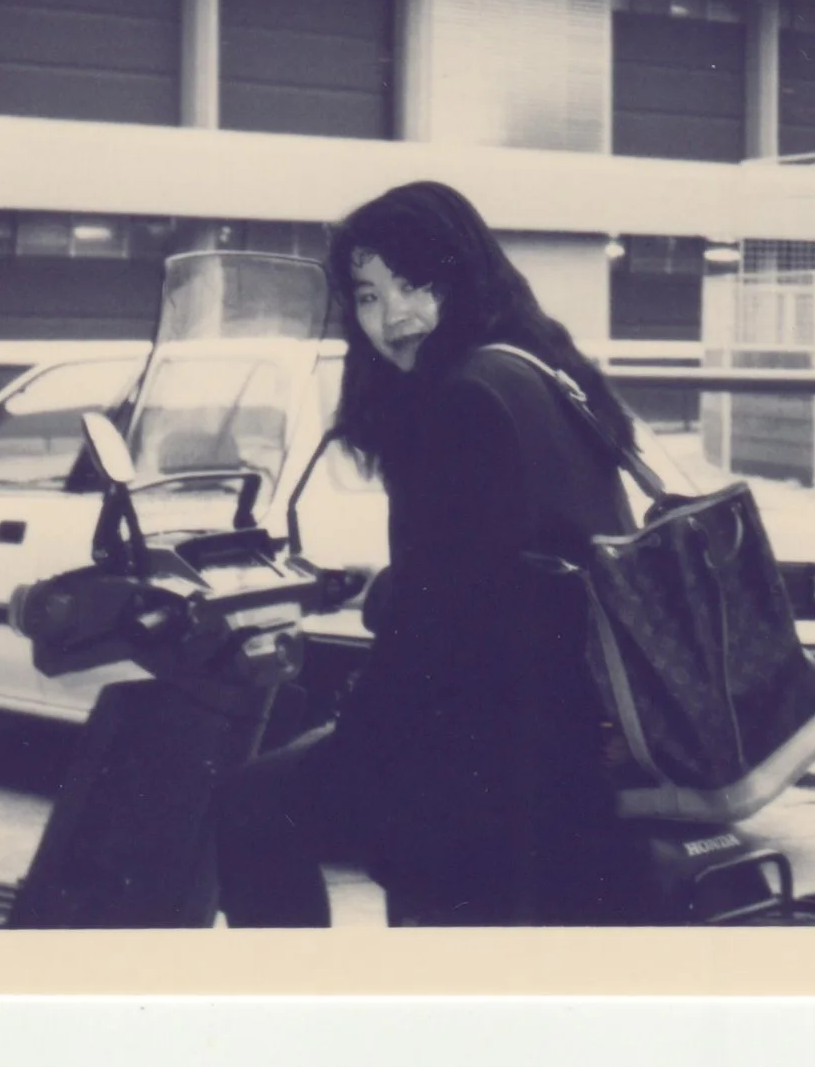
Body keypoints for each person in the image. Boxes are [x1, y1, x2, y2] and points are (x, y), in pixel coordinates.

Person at [215, 180, 642, 926]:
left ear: (462, 274)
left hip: (488, 748)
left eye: (416, 284)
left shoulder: (459, 397)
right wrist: (389, 589)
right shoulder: (540, 368)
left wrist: (356, 711)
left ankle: (290, 1022)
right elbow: (502, 557)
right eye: (370, 296)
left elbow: (436, 633)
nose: (394, 317)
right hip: (567, 723)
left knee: (249, 809)